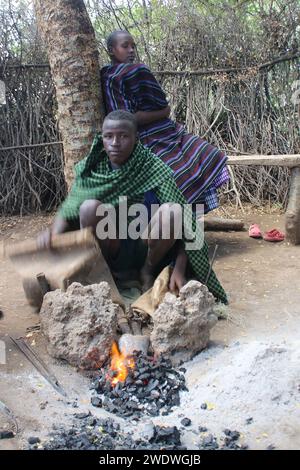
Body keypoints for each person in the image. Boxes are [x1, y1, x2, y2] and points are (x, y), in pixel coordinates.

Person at [38, 110, 227, 303]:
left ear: (136, 138)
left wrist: (179, 267)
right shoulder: (93, 167)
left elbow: (188, 222)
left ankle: (147, 272)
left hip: (147, 248)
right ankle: (108, 276)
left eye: (123, 136)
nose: (115, 143)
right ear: (101, 138)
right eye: (108, 136)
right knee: (88, 207)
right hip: (112, 247)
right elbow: (70, 207)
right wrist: (53, 233)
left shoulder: (151, 167)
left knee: (173, 211)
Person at [101, 30, 229, 214]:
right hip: (141, 137)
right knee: (175, 175)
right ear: (111, 50)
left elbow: (156, 104)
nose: (131, 50)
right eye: (125, 46)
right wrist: (157, 113)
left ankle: (178, 223)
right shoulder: (116, 74)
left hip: (161, 132)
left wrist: (152, 114)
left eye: (133, 46)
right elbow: (134, 116)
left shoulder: (132, 71)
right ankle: (168, 224)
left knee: (204, 156)